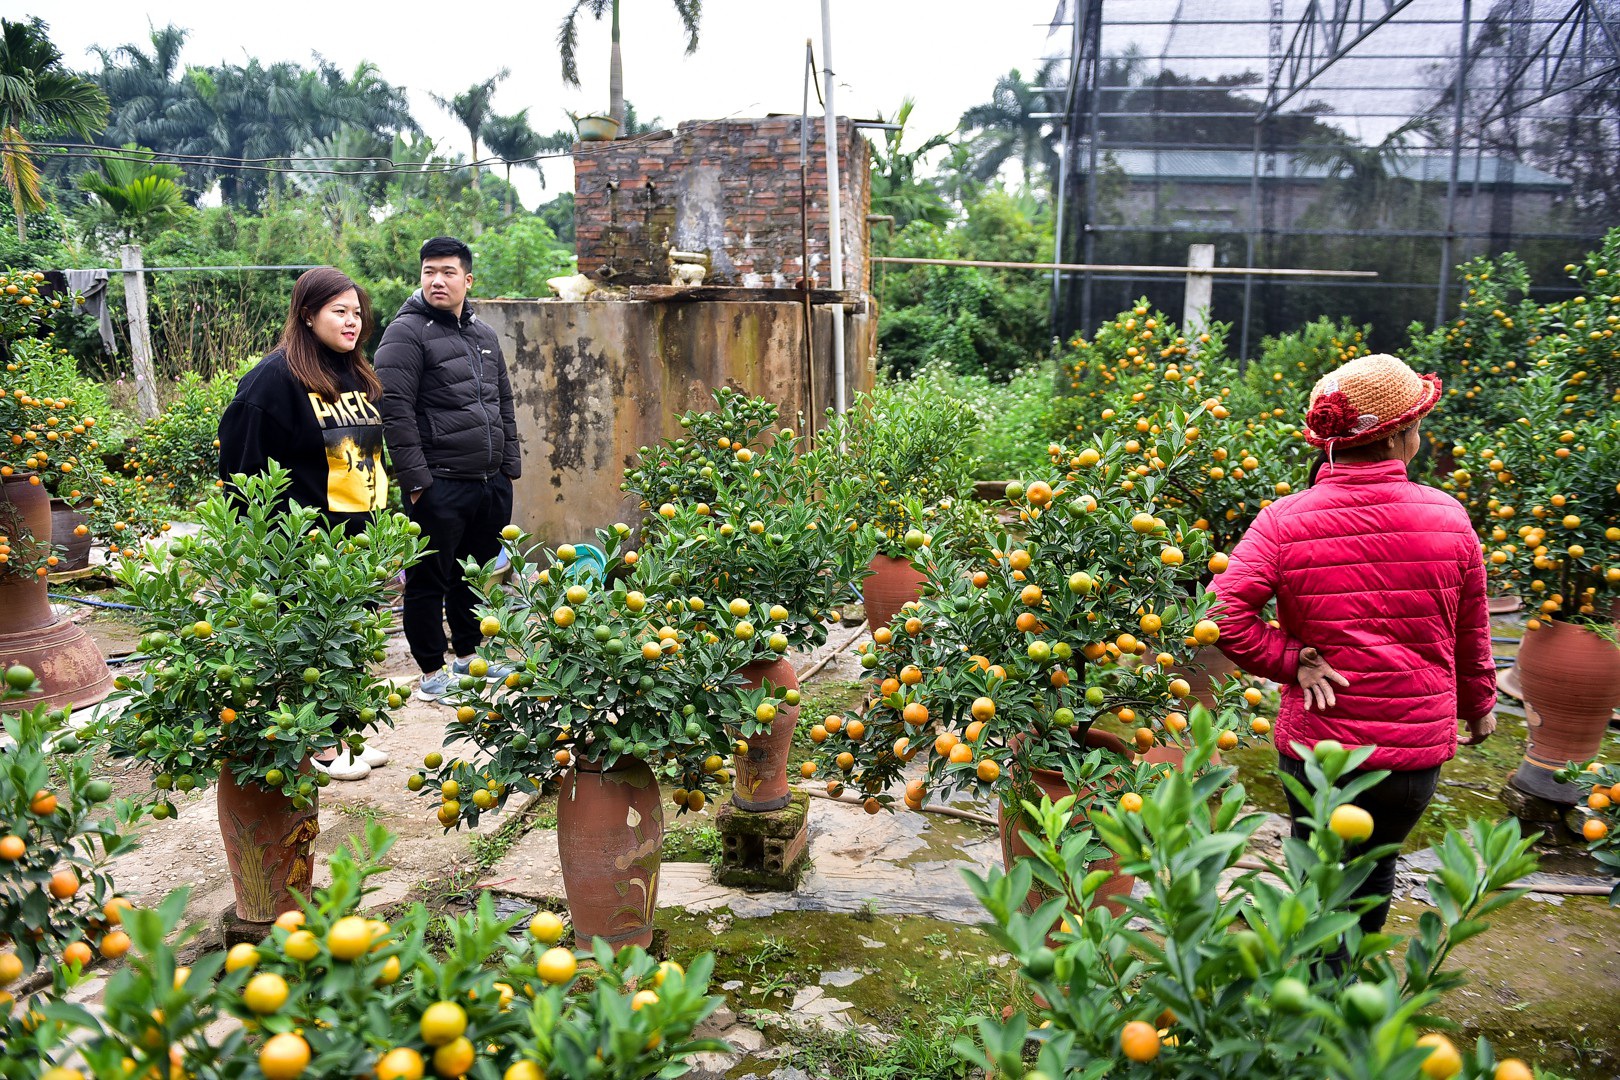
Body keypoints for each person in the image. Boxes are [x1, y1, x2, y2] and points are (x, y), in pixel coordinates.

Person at [1209, 352, 1496, 936]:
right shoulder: (1448, 517)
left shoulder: (1282, 522)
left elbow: (1221, 614)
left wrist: (1288, 661)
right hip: (1411, 756)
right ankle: (1350, 1009)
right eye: (1417, 425)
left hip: (1320, 749)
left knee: (1317, 878)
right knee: (1375, 868)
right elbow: (1472, 629)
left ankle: (1312, 1007)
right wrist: (1480, 704)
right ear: (1398, 438)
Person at [217, 265, 391, 780]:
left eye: (357, 312)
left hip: (355, 538)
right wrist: (264, 540)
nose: (352, 321)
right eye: (340, 311)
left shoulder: (353, 374)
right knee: (305, 640)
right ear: (307, 314)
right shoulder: (274, 380)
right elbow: (241, 466)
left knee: (341, 639)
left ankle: (337, 736)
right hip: (303, 540)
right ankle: (313, 745)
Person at [375, 237, 520, 702]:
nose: (437, 280)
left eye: (448, 272)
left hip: (488, 481)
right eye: (429, 271)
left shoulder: (484, 336)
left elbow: (503, 403)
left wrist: (509, 467)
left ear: (467, 280)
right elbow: (394, 410)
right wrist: (418, 482)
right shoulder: (406, 332)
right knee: (429, 579)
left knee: (473, 575)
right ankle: (432, 673)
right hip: (438, 482)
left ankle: (468, 657)